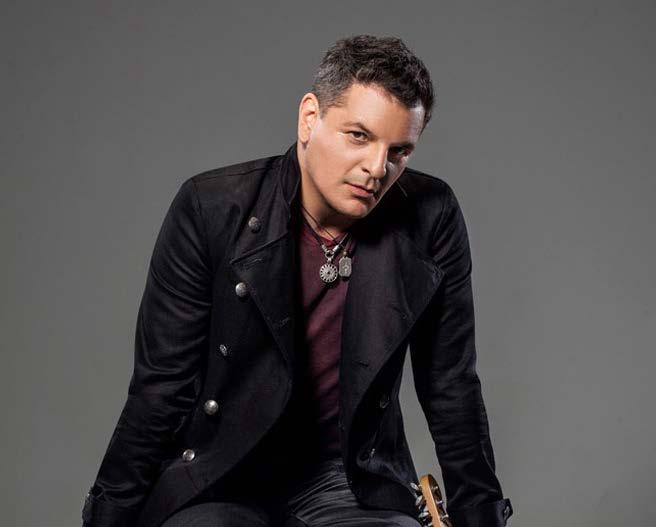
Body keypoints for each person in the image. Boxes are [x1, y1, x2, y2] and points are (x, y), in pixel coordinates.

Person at [81, 34, 513, 527]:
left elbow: (451, 386)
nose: (377, 168)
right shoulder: (212, 209)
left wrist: (482, 517)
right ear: (310, 118)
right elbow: (161, 388)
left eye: (399, 151)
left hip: (347, 482)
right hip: (221, 475)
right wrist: (108, 517)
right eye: (359, 136)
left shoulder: (431, 216)